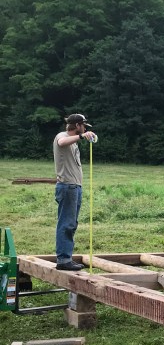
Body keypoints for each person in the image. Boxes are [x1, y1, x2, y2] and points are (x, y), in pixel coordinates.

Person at [53, 113, 96, 271]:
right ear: (78, 125)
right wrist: (82, 136)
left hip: (75, 187)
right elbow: (62, 141)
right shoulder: (62, 136)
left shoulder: (74, 143)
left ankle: (66, 258)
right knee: (67, 223)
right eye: (84, 126)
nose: (85, 129)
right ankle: (64, 260)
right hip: (68, 187)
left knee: (71, 223)